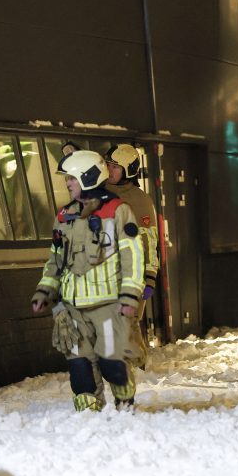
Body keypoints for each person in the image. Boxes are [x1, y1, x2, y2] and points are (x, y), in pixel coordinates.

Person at [30, 150, 145, 411]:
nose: (67, 183)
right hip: (73, 309)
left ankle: (124, 401)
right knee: (79, 367)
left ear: (88, 177)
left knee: (112, 364)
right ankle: (89, 416)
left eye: (72, 178)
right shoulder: (64, 216)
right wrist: (44, 291)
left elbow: (133, 256)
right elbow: (55, 259)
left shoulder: (118, 211)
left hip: (108, 307)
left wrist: (130, 296)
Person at [104, 143, 160, 369]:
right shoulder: (97, 195)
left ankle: (137, 369)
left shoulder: (140, 200)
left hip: (132, 274)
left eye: (115, 167)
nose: (109, 170)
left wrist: (150, 275)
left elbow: (150, 240)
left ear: (128, 170)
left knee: (128, 324)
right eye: (108, 165)